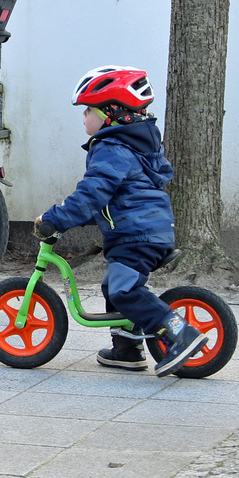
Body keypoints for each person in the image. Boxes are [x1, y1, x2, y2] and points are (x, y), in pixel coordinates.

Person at [33, 66, 208, 377]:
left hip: (136, 235)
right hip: (146, 231)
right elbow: (108, 199)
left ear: (111, 113)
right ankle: (126, 351)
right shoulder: (134, 146)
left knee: (123, 292)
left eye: (88, 110)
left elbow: (92, 194)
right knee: (112, 286)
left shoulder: (112, 149)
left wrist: (55, 219)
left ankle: (181, 334)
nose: (84, 116)